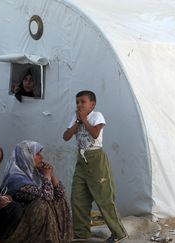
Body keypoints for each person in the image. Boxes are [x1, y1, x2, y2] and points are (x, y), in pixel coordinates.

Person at [63, 90, 128, 242]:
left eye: (83, 102)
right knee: (77, 198)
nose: (79, 105)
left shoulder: (97, 116)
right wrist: (78, 122)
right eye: (77, 102)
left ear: (92, 105)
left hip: (96, 159)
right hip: (82, 159)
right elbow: (66, 136)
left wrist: (84, 120)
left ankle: (119, 233)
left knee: (104, 197)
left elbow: (94, 134)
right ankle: (81, 234)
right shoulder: (75, 118)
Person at [1, 140, 72, 243]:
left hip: (32, 220)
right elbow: (47, 196)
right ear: (26, 157)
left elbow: (60, 194)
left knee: (60, 200)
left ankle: (58, 238)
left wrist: (51, 175)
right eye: (37, 154)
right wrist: (47, 176)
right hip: (21, 225)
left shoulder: (34, 174)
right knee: (41, 205)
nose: (41, 157)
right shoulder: (16, 179)